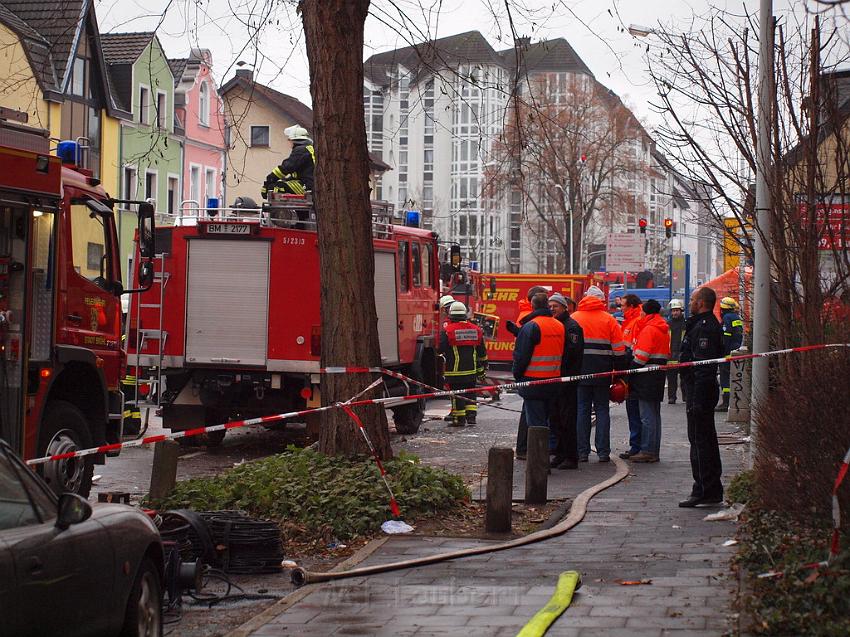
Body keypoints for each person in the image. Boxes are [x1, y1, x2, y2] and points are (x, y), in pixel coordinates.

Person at [679, 286, 724, 507]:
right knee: (703, 440)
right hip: (698, 390)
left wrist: (696, 399)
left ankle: (704, 490)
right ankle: (710, 489)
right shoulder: (699, 325)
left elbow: (703, 368)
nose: (690, 303)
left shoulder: (705, 328)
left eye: (693, 299)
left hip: (701, 391)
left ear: (702, 303)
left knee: (700, 442)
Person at [571, 285, 626, 463]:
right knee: (602, 411)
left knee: (582, 411)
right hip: (602, 372)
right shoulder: (609, 320)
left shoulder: (575, 318)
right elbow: (619, 351)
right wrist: (617, 374)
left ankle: (582, 452)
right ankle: (603, 452)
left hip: (580, 373)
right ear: (601, 300)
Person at [512, 292, 565, 439]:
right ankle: (549, 450)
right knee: (549, 420)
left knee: (535, 424)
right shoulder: (559, 325)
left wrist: (517, 375)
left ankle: (538, 457)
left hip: (533, 380)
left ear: (532, 306)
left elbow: (521, 356)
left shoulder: (531, 326)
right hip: (554, 379)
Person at [627, 300, 670, 463]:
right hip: (657, 374)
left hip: (646, 375)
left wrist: (630, 368)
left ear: (647, 313)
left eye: (642, 312)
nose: (640, 314)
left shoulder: (649, 329)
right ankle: (653, 450)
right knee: (654, 415)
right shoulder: (663, 328)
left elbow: (641, 356)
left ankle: (647, 450)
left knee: (646, 416)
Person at [547, 293, 584, 470]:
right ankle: (560, 454)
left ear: (564, 307)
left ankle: (571, 456)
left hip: (567, 379)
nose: (552, 309)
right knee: (556, 419)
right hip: (556, 379)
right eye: (550, 306)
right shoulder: (557, 325)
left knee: (568, 419)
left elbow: (572, 353)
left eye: (556, 306)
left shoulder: (571, 327)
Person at [439, 302, 487, 426]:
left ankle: (459, 420)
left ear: (451, 315)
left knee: (457, 394)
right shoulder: (476, 330)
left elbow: (441, 348)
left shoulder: (447, 331)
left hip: (454, 371)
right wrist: (483, 366)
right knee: (471, 392)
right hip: (472, 370)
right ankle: (471, 417)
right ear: (465, 314)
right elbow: (482, 352)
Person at [619, 294, 644, 460]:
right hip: (631, 371)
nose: (621, 308)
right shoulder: (631, 321)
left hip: (632, 372)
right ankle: (636, 445)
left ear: (632, 306)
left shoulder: (635, 322)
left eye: (623, 305)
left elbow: (631, 348)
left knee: (635, 411)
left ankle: (636, 445)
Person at [261, 125, 316, 198]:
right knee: (282, 184)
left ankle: (280, 209)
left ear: (295, 140)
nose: (289, 142)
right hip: (310, 184)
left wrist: (268, 181)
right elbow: (297, 174)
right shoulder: (308, 149)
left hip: (307, 185)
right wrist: (285, 180)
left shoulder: (300, 150)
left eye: (289, 139)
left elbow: (285, 168)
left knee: (274, 188)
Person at [717, 297, 744, 412]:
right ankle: (730, 401)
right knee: (733, 377)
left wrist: (722, 350)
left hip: (726, 353)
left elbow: (726, 336)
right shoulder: (736, 317)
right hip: (735, 351)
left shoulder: (726, 318)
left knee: (724, 378)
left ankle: (726, 402)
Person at [666, 299, 687, 404]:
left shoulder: (686, 324)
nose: (675, 313)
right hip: (670, 353)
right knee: (671, 378)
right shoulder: (667, 324)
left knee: (684, 376)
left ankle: (685, 396)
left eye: (677, 310)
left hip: (683, 352)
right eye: (673, 311)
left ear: (681, 311)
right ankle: (672, 397)